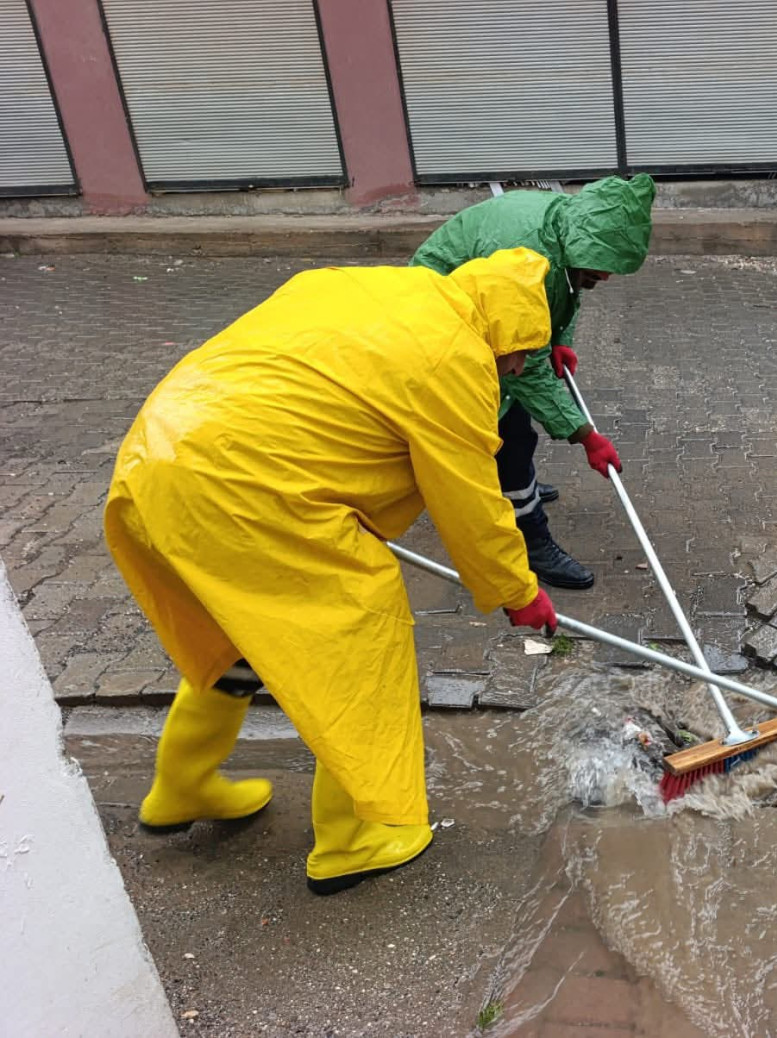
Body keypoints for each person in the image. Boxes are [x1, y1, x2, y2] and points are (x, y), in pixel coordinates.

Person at [104, 248, 559, 896]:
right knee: (358, 639)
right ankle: (355, 837)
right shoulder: (452, 355)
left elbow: (327, 393)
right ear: (504, 329)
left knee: (241, 633)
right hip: (247, 485)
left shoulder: (377, 291)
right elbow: (470, 497)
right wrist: (519, 592)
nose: (516, 367)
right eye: (519, 352)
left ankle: (182, 783)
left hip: (161, 457)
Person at [411, 173, 656, 590]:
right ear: (583, 241)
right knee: (507, 432)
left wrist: (560, 339)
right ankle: (531, 539)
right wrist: (584, 435)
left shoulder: (564, 229)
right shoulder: (524, 251)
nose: (608, 276)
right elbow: (529, 372)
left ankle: (516, 485)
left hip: (484, 307)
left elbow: (567, 289)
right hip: (438, 315)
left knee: (515, 417)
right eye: (603, 264)